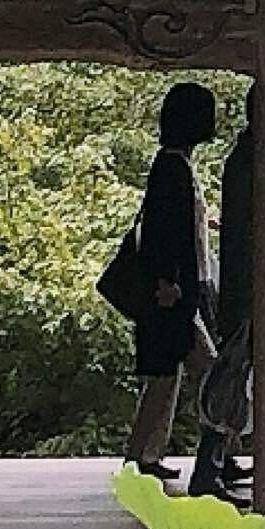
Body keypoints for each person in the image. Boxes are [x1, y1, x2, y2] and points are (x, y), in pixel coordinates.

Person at [101, 86, 218, 475]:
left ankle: (145, 457)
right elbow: (164, 232)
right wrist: (169, 281)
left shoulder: (171, 165)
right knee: (208, 373)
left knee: (166, 377)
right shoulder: (173, 169)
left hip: (174, 291)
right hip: (171, 293)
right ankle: (213, 453)